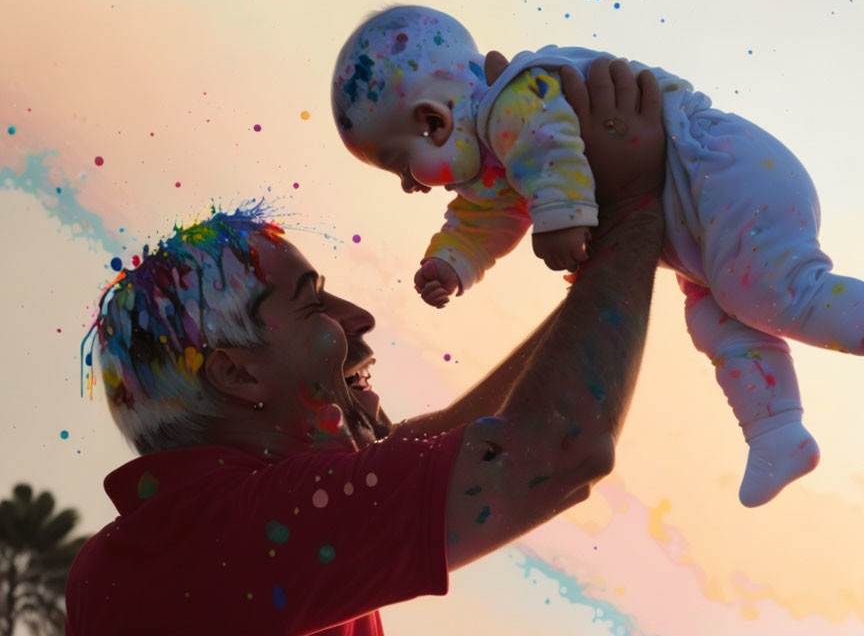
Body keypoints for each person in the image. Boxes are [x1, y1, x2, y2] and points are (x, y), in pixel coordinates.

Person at [65, 55, 667, 635]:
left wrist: (607, 244)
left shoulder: (208, 524)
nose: (360, 318)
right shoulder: (212, 537)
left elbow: (468, 434)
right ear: (237, 374)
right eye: (312, 303)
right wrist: (636, 210)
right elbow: (554, 449)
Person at [331, 4, 864, 507]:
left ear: (433, 122)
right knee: (715, 317)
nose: (410, 187)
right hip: (698, 219)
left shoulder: (514, 99)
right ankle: (777, 432)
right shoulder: (493, 162)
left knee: (775, 291)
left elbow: (551, 149)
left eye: (402, 166)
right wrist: (450, 265)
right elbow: (481, 222)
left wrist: (564, 219)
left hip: (721, 174)